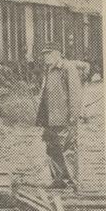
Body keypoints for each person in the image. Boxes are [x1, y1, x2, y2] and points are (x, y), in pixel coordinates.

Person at [36, 42, 83, 189]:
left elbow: (75, 94)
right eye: (44, 54)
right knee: (52, 149)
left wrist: (73, 116)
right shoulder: (49, 69)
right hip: (50, 119)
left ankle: (72, 182)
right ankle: (58, 180)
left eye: (48, 54)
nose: (45, 57)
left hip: (64, 118)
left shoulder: (67, 68)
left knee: (68, 149)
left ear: (57, 53)